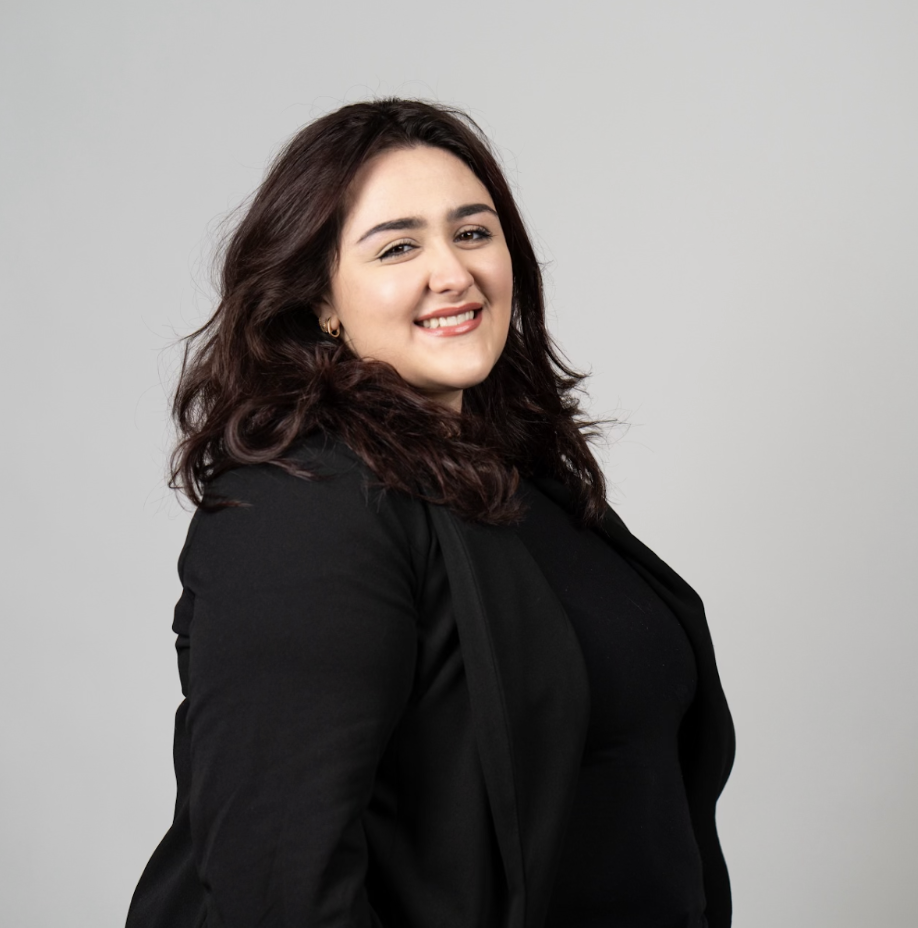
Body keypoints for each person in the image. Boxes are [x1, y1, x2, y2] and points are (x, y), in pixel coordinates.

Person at [125, 98, 735, 928]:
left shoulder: (521, 484)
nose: (452, 272)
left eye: (474, 233)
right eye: (399, 246)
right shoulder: (302, 512)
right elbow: (280, 889)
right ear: (321, 302)